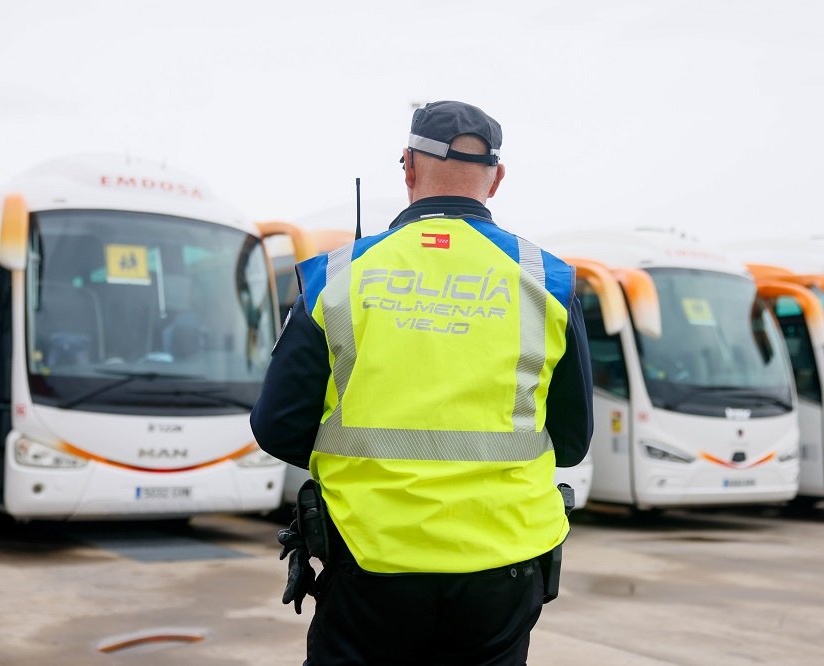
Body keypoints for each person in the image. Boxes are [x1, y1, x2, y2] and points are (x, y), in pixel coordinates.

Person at [250, 100, 593, 666]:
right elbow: (573, 441)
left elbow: (277, 427)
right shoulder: (548, 280)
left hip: (369, 559)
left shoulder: (337, 278)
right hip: (503, 565)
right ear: (497, 178)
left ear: (407, 166)